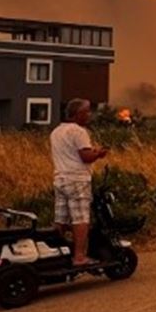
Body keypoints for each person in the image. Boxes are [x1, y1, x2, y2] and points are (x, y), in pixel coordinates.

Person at [50, 98, 109, 265]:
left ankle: (55, 253)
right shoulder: (78, 131)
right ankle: (79, 256)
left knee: (60, 219)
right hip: (77, 179)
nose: (89, 114)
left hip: (60, 178)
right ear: (78, 114)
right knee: (81, 219)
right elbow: (85, 157)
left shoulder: (56, 131)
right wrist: (98, 153)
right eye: (87, 111)